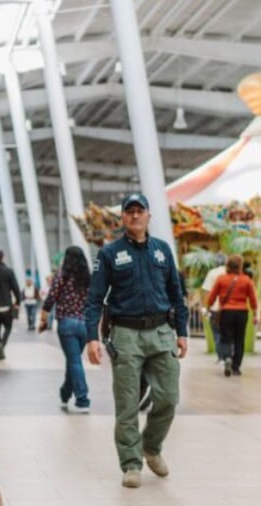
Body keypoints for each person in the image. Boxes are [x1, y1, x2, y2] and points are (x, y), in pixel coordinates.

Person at [83, 193, 188, 489]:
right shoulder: (109, 254)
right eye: (129, 212)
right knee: (127, 404)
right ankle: (131, 463)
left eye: (140, 211)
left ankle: (151, 448)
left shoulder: (162, 251)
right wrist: (92, 338)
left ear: (149, 216)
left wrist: (182, 332)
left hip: (161, 332)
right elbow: (94, 299)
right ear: (123, 217)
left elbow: (176, 295)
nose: (135, 216)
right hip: (126, 334)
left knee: (168, 398)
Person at [39, 246, 91, 413]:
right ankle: (65, 393)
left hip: (67, 323)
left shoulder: (63, 275)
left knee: (74, 361)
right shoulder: (87, 277)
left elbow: (51, 297)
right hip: (84, 324)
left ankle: (83, 399)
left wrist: (43, 319)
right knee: (74, 360)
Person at [207, 254, 258, 377]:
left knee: (225, 338)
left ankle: (227, 357)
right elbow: (253, 300)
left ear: (228, 265)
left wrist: (208, 307)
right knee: (239, 340)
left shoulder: (221, 279)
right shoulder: (246, 280)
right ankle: (236, 367)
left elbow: (211, 297)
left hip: (226, 312)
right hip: (242, 313)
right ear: (240, 266)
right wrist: (255, 314)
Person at [200, 255, 227, 361]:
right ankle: (229, 355)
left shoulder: (212, 273)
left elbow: (206, 291)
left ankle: (221, 357)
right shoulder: (230, 273)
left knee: (216, 332)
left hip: (215, 308)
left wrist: (205, 308)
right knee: (228, 333)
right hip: (228, 308)